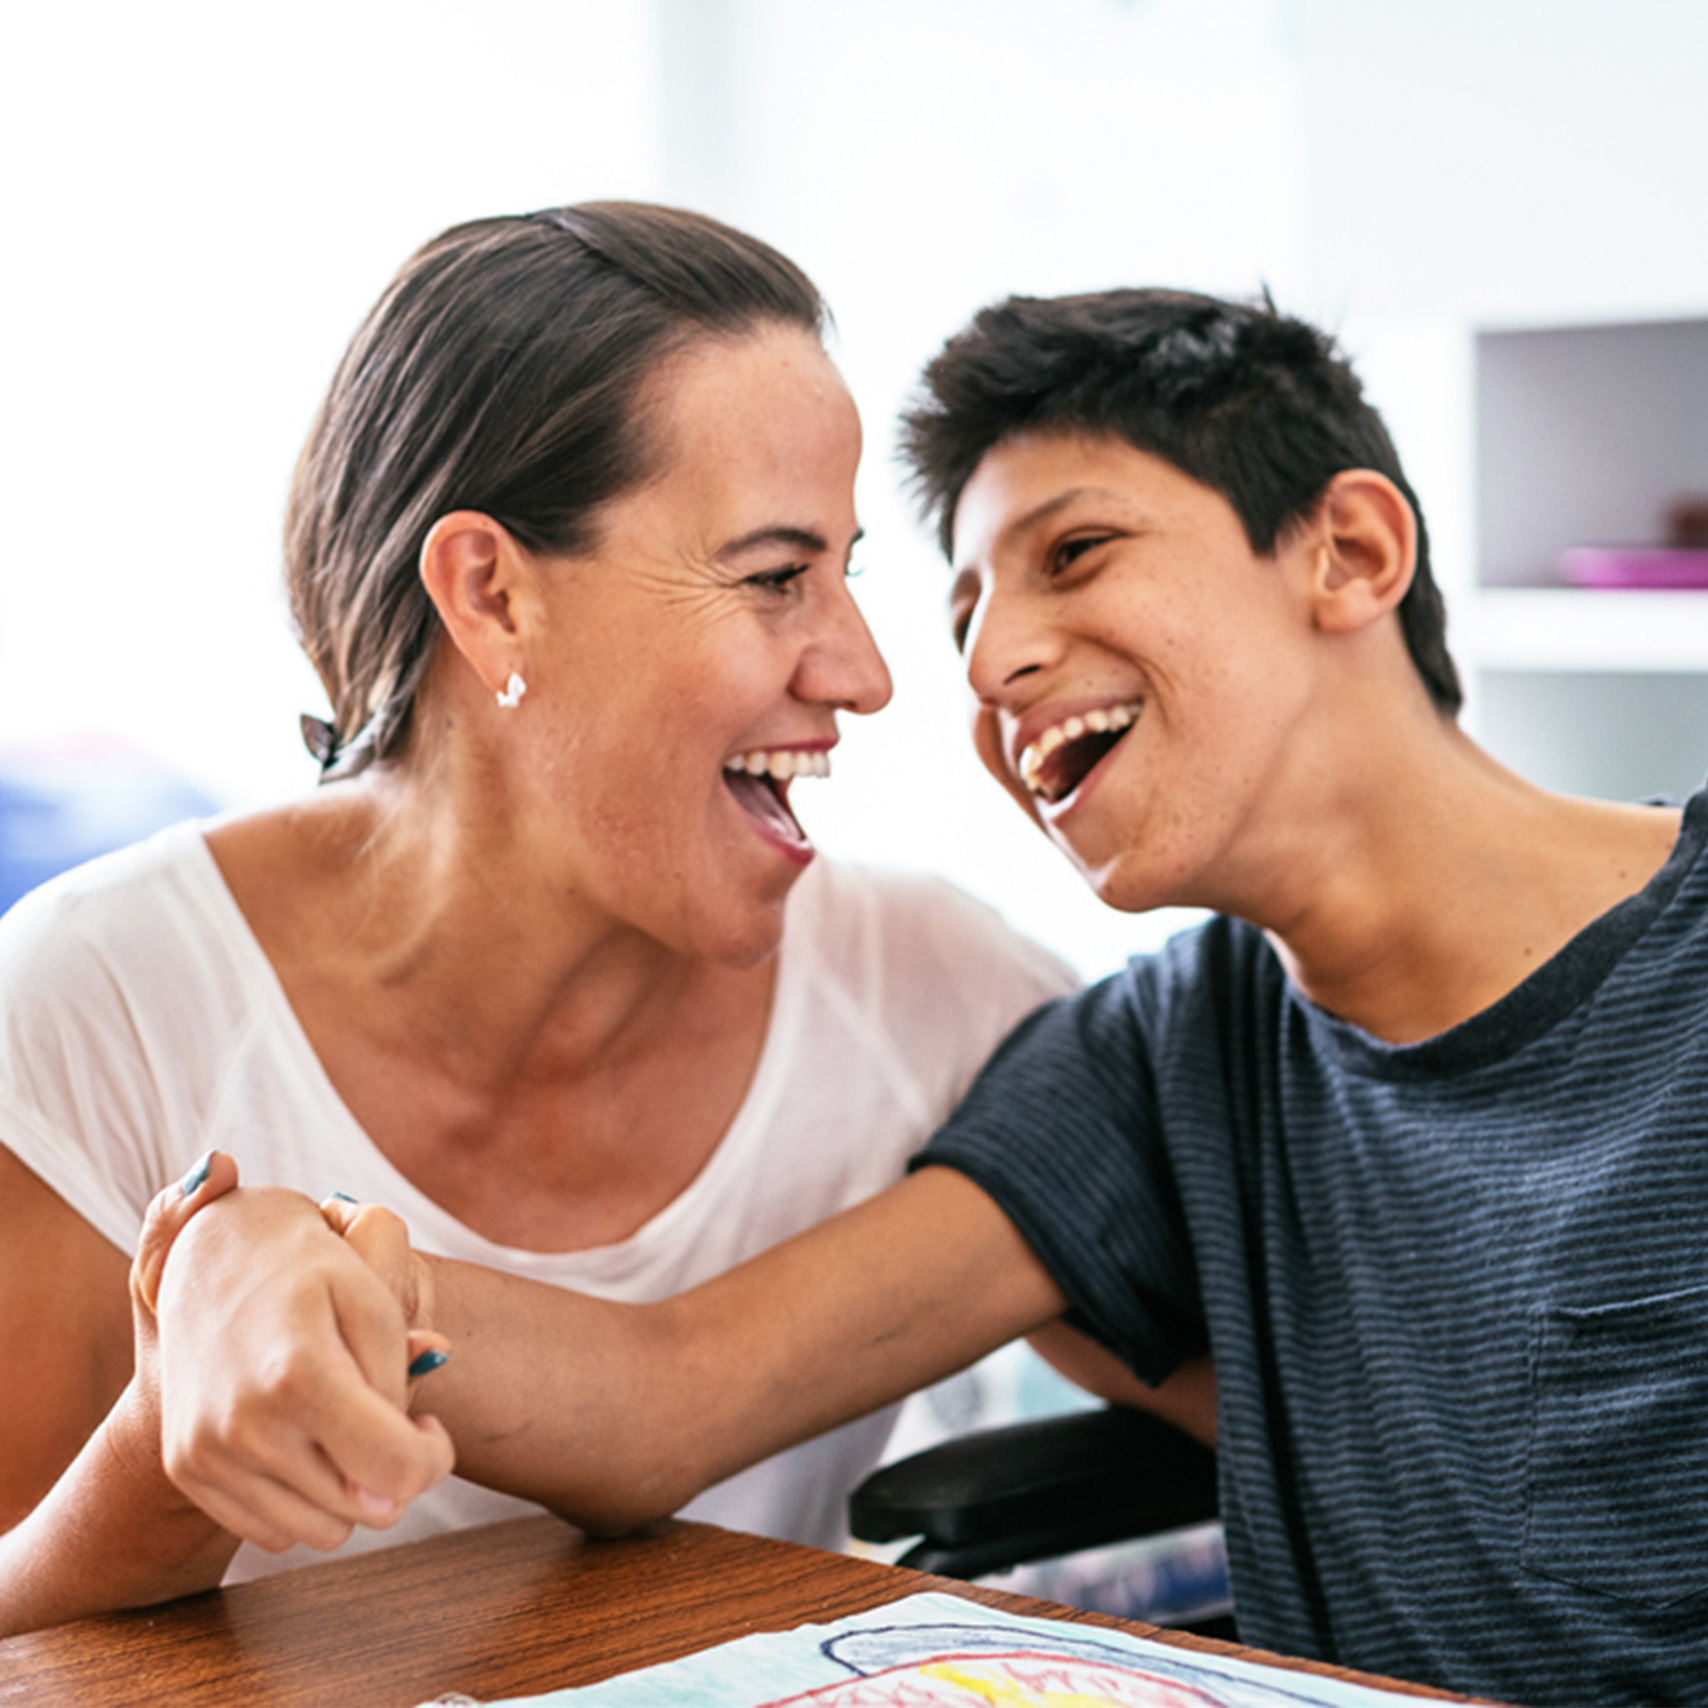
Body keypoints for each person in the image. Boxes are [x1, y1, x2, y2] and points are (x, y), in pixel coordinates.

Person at [132, 282, 1708, 1708]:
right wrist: (267, 1260)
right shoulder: (1165, 1060)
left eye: (1074, 553)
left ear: (1349, 553)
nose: (993, 662)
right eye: (964, 619)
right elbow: (670, 1391)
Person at [0, 203, 1083, 1636]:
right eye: (774, 578)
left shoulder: (940, 992)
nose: (869, 673)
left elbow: (1253, 1367)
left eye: (847, 573)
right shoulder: (98, 1002)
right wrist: (184, 1416)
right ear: (492, 596)